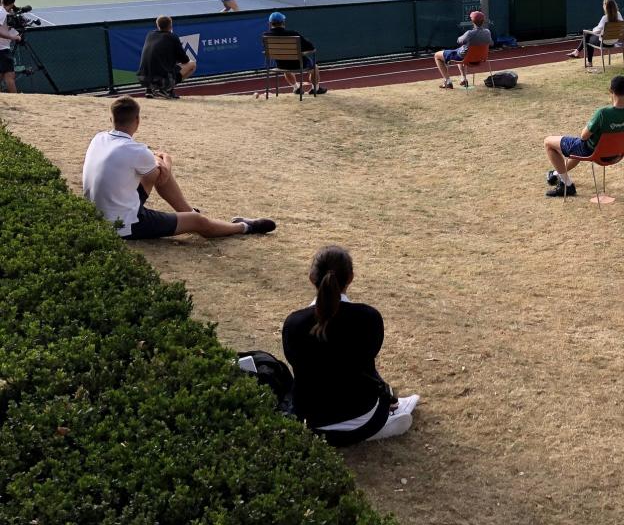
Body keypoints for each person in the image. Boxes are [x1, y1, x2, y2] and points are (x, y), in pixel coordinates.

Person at [82, 96, 276, 240]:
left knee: (152, 172)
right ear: (137, 121)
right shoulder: (137, 150)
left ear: (111, 120)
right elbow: (162, 176)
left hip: (98, 217)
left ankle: (188, 211)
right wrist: (167, 160)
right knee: (197, 221)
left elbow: (143, 163)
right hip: (124, 225)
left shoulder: (99, 138)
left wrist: (157, 163)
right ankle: (243, 226)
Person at [282, 246, 419, 447]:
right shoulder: (368, 317)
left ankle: (380, 420)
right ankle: (384, 419)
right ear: (351, 278)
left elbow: (297, 362)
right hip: (363, 413)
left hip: (312, 420)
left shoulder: (294, 323)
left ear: (312, 278)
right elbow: (366, 358)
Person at [543, 74, 624, 198]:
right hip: (617, 154)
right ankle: (556, 174)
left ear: (610, 91)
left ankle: (567, 185)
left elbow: (584, 136)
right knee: (576, 150)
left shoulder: (602, 113)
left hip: (593, 152)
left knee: (548, 142)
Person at [264, 12, 327, 95]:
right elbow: (311, 48)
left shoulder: (266, 36)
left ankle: (296, 88)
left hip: (281, 65)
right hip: (298, 64)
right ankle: (316, 89)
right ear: (283, 22)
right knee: (314, 67)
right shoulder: (293, 34)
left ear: (270, 23)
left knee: (286, 69)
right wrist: (302, 52)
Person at [137, 16, 196, 100]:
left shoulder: (149, 35)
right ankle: (166, 90)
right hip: (160, 79)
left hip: (143, 79)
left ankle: (150, 90)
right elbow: (184, 60)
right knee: (192, 64)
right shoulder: (173, 37)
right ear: (170, 26)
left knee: (163, 66)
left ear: (157, 25)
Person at [434, 10, 491, 89]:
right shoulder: (488, 32)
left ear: (472, 21)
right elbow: (491, 42)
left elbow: (459, 40)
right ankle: (463, 79)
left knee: (437, 55)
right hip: (480, 58)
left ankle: (448, 81)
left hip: (465, 58)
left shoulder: (469, 33)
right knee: (461, 51)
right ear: (483, 21)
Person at [567, 0, 624, 66]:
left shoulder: (605, 18)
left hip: (604, 43)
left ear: (606, 7)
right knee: (588, 34)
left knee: (587, 35)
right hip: (615, 41)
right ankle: (577, 52)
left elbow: (596, 31)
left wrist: (591, 30)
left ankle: (588, 61)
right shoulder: (619, 14)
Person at [0, 0, 22, 94]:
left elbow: (6, 28)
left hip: (2, 49)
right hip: (2, 50)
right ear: (12, 3)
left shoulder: (4, 13)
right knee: (10, 76)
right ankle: (16, 102)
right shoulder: (2, 13)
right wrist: (14, 37)